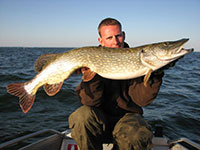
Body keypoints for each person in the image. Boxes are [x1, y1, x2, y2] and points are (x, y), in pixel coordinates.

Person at [69, 18, 164, 150]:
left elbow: (142, 100)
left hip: (127, 118)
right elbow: (89, 102)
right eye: (109, 38)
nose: (115, 41)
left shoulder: (139, 61)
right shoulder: (92, 58)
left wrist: (156, 74)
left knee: (136, 133)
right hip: (99, 120)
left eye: (118, 36)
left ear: (123, 35)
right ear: (100, 41)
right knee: (82, 116)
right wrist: (89, 78)